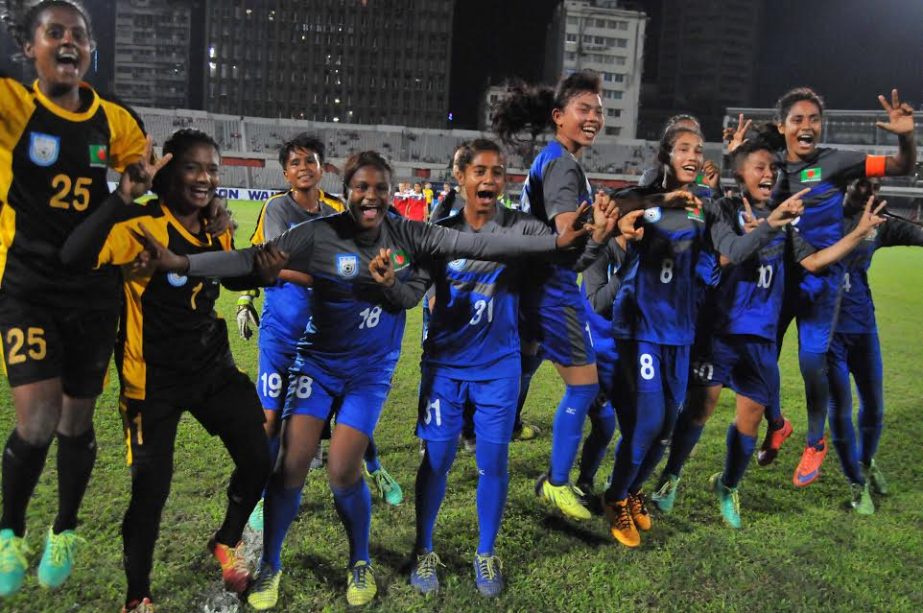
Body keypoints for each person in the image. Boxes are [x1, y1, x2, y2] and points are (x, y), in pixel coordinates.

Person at [137, 150, 609, 608]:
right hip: (318, 363)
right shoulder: (317, 234)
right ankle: (272, 565)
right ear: (346, 193)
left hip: (369, 372)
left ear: (389, 194)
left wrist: (558, 242)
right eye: (362, 187)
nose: (371, 196)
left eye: (380, 188)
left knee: (343, 471)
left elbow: (479, 244)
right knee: (289, 469)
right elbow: (248, 259)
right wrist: (181, 264)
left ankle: (359, 561)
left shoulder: (408, 233)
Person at [59, 129, 274, 613]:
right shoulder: (137, 224)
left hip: (211, 366)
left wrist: (260, 272)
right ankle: (137, 597)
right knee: (151, 490)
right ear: (169, 170)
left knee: (259, 458)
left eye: (212, 169)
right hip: (149, 380)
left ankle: (227, 539)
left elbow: (222, 271)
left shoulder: (216, 224)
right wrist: (122, 199)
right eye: (193, 167)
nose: (204, 178)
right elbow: (74, 256)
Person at [408, 139, 614, 597]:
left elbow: (566, 261)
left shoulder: (524, 229)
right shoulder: (438, 232)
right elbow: (411, 290)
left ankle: (485, 552)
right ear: (459, 177)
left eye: (498, 172)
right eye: (479, 171)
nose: (489, 179)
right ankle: (424, 549)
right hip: (444, 368)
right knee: (437, 461)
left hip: (499, 368)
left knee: (492, 463)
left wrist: (597, 236)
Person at [648, 139, 887, 527]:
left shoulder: (786, 221)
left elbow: (812, 261)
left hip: (761, 338)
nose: (768, 174)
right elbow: (730, 253)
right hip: (721, 331)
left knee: (751, 416)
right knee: (700, 409)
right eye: (758, 167)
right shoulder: (722, 209)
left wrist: (858, 233)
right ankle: (669, 479)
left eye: (772, 169)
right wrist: (764, 227)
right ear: (739, 172)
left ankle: (728, 486)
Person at [0, 0, 149, 597]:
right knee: (34, 420)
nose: (68, 42)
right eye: (53, 32)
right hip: (28, 286)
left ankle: (64, 527)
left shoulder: (116, 121)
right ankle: (10, 534)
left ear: (91, 51)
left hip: (93, 289)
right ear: (28, 47)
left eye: (79, 36)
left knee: (74, 421)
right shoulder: (11, 105)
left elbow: (146, 181)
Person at [601, 124, 803, 548]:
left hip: (681, 332)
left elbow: (735, 248)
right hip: (641, 327)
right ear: (667, 156)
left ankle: (635, 489)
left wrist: (769, 227)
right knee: (648, 421)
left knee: (667, 426)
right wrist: (663, 199)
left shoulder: (706, 205)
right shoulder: (649, 196)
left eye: (698, 148)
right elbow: (617, 205)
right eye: (683, 148)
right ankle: (615, 497)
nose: (693, 155)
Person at [234, 134, 402, 532]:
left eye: (311, 160)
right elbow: (268, 260)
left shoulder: (334, 211)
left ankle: (375, 468)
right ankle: (262, 495)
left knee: (348, 413)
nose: (304, 168)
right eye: (295, 163)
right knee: (270, 419)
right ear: (286, 172)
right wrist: (246, 298)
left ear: (323, 167)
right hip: (283, 331)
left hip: (331, 333)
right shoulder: (276, 208)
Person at [753, 88, 916, 486]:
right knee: (758, 361)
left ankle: (815, 442)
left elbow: (900, 166)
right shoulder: (770, 169)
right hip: (776, 281)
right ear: (783, 126)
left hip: (818, 282)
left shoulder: (837, 161)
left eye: (813, 119)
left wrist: (906, 136)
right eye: (797, 119)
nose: (806, 126)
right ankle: (777, 424)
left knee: (811, 363)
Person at [492, 71, 610, 521]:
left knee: (523, 363)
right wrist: (596, 229)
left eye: (598, 110)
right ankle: (557, 483)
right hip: (552, 292)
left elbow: (568, 247)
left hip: (532, 285)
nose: (594, 117)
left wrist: (594, 236)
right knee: (585, 385)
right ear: (559, 117)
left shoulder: (552, 158)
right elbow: (565, 234)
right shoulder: (562, 164)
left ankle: (489, 440)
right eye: (585, 109)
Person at [827, 177, 923, 513]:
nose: (870, 192)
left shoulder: (879, 224)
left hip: (864, 328)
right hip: (827, 333)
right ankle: (856, 483)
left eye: (876, 188)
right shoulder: (821, 218)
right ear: (846, 186)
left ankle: (865, 462)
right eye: (863, 185)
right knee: (838, 408)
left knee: (874, 407)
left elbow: (916, 233)